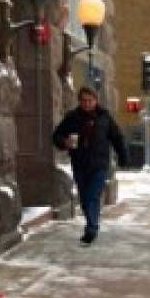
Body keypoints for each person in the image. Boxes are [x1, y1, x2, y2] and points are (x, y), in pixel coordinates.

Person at [53, 87, 127, 245]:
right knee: (85, 198)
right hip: (79, 163)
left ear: (95, 100)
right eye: (84, 100)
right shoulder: (72, 117)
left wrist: (123, 157)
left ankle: (91, 228)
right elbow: (57, 135)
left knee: (92, 196)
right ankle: (91, 224)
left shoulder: (104, 117)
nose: (87, 103)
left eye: (90, 100)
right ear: (80, 101)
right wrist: (64, 142)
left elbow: (117, 137)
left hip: (99, 164)